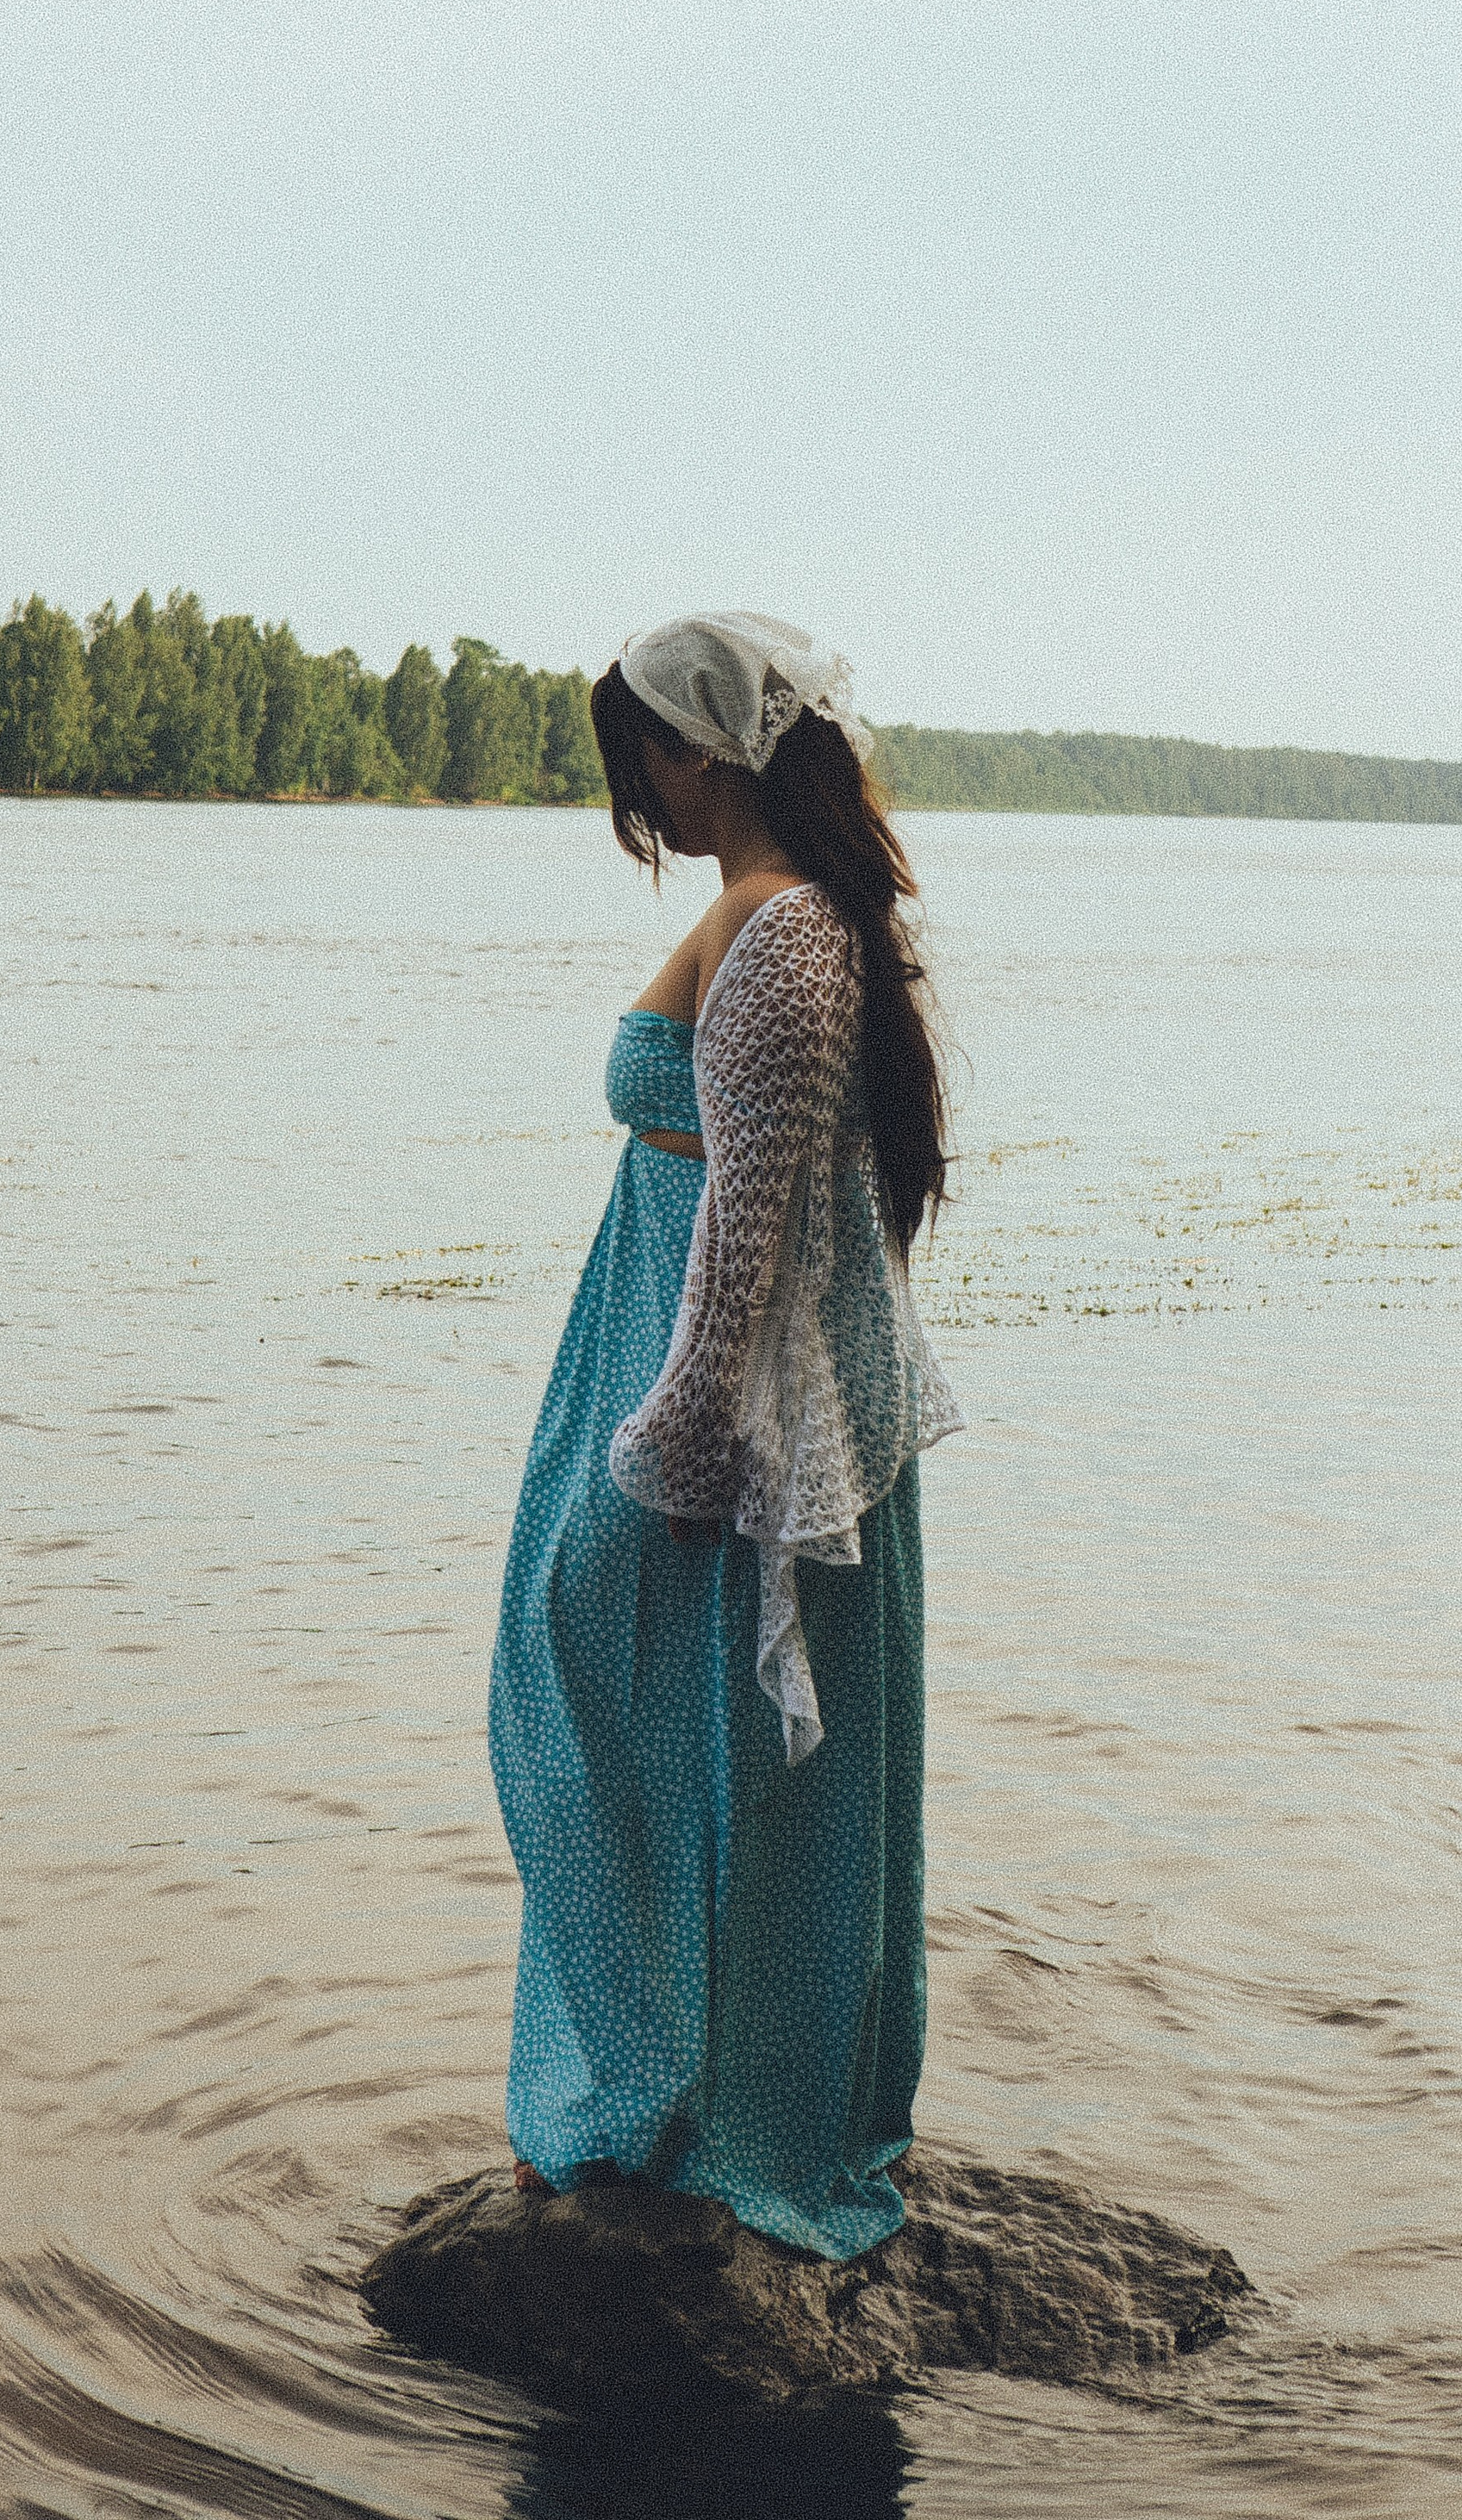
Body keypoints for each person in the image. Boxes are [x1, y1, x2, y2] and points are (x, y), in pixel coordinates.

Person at [488, 613, 961, 2257]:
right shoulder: (780, 921)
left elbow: (752, 1231)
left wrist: (668, 1458)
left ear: (712, 749)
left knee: (638, 1735)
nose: (643, 798)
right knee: (682, 1759)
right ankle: (672, 2098)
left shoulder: (783, 939)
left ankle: (689, 2118)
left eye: (649, 763)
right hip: (687, 1388)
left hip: (727, 1423)